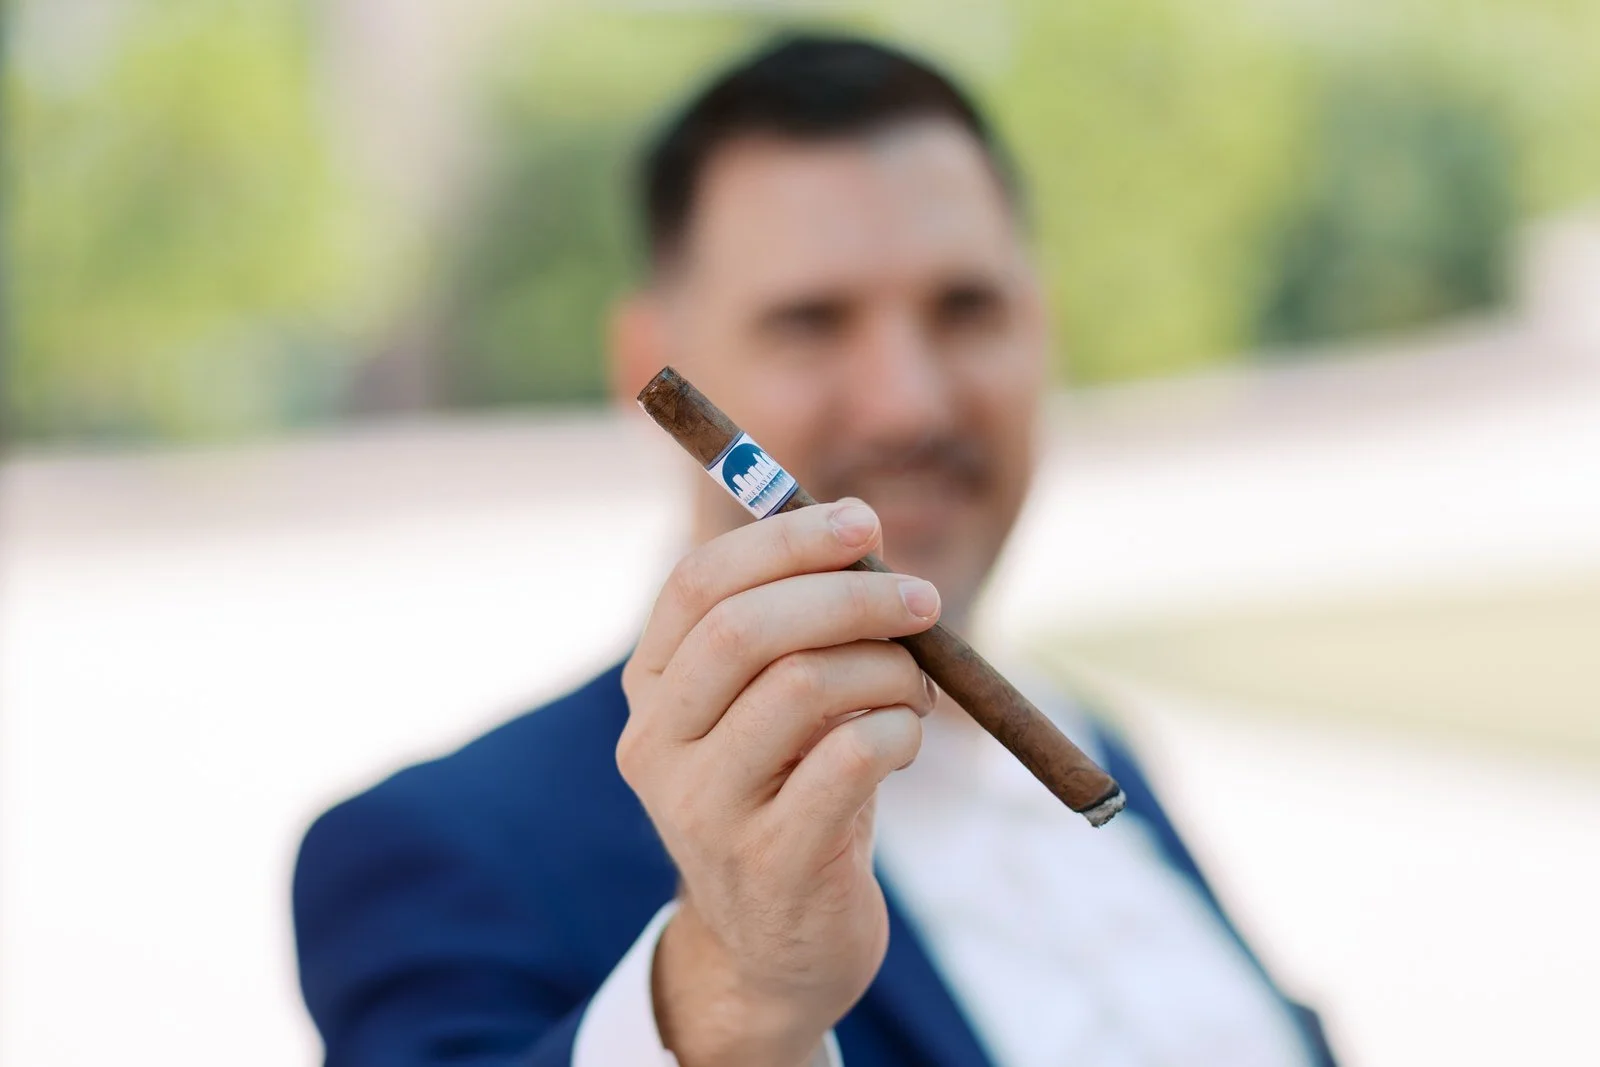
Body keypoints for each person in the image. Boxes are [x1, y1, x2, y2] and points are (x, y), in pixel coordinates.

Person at [293, 34, 1338, 1067]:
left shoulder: (1098, 743)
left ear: (1041, 325)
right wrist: (732, 990)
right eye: (810, 321)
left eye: (966, 308)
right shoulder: (447, 851)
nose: (908, 403)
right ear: (644, 370)